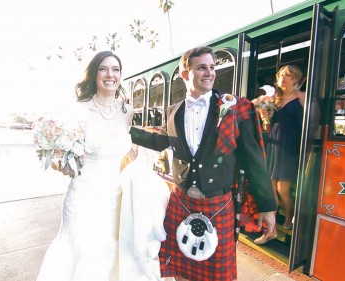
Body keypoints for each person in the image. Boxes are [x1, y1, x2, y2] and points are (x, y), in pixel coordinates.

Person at [129, 46, 277, 281]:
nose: (209, 73)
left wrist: (267, 207)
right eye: (201, 68)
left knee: (217, 276)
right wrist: (123, 130)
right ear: (185, 74)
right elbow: (159, 141)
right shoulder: (173, 111)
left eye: (212, 67)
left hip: (218, 203)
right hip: (181, 200)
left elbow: (254, 160)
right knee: (181, 272)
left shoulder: (234, 108)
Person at [36, 51, 170, 281]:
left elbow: (125, 148)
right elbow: (59, 158)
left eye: (116, 69)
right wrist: (64, 166)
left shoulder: (127, 112)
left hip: (115, 198)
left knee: (110, 255)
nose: (110, 75)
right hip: (82, 196)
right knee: (79, 252)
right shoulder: (78, 110)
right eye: (104, 69)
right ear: (94, 74)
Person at [254, 65, 305, 244]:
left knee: (283, 189)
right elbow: (268, 127)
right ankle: (272, 229)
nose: (283, 78)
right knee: (271, 188)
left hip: (290, 146)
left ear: (296, 80)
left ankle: (289, 217)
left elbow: (312, 122)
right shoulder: (275, 100)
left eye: (288, 75)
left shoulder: (301, 97)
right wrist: (264, 115)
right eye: (281, 75)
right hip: (274, 144)